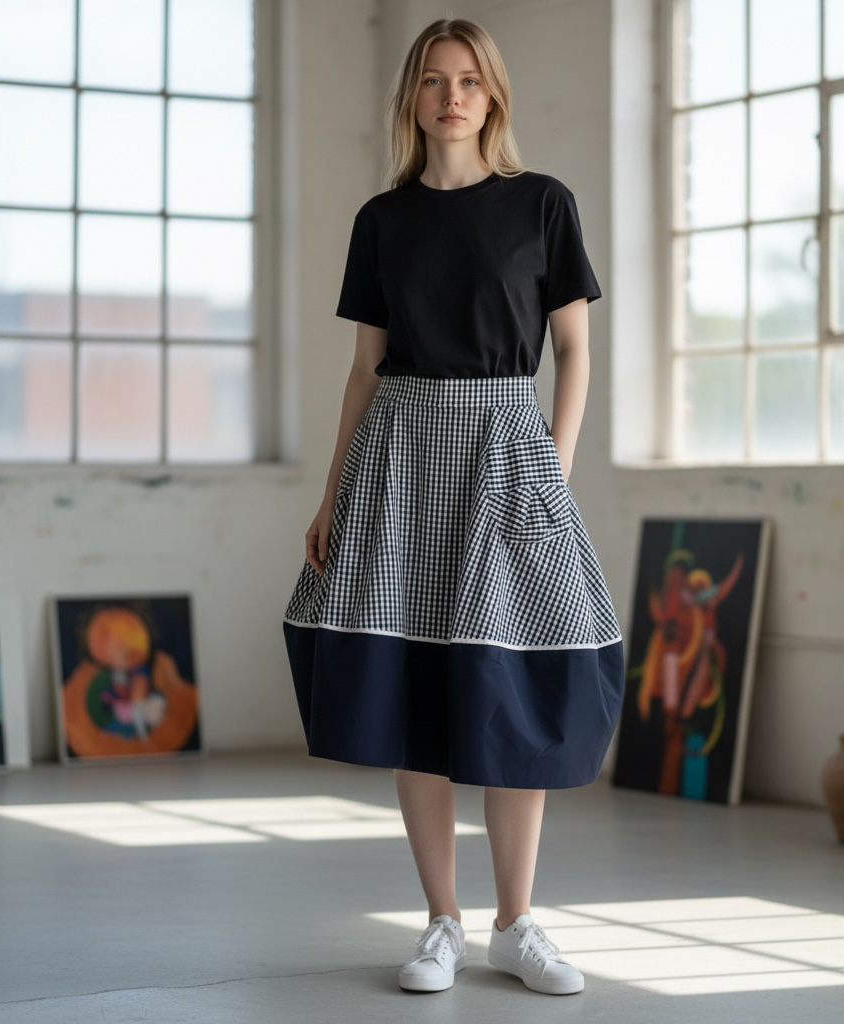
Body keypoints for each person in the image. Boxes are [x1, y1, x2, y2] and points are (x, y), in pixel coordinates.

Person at [283, 18, 623, 996]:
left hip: (508, 450)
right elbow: (362, 372)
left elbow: (575, 352)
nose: (451, 96)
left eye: (468, 79)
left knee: (516, 676)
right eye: (433, 80)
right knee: (414, 682)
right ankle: (441, 919)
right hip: (400, 452)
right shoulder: (381, 219)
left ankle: (517, 922)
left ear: (492, 94)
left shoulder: (541, 205)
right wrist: (333, 492)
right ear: (412, 98)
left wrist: (550, 469)